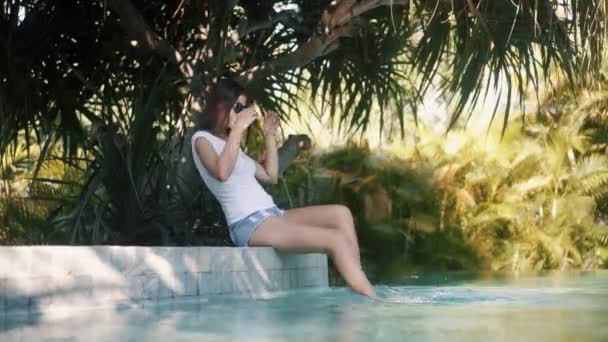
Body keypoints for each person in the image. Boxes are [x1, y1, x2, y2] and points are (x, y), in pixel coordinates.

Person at [191, 78, 378, 299]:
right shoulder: (202, 140)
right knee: (334, 239)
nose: (241, 114)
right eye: (238, 107)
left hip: (273, 215)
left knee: (341, 213)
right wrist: (238, 130)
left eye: (243, 109)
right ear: (221, 106)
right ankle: (372, 298)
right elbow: (222, 173)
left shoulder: (235, 150)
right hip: (250, 223)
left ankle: (357, 284)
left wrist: (270, 135)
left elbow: (271, 176)